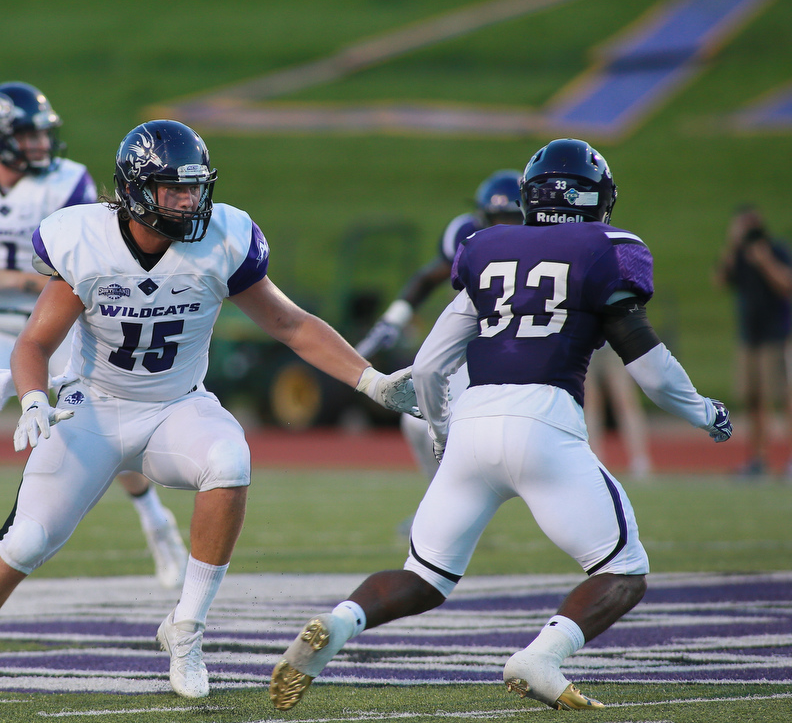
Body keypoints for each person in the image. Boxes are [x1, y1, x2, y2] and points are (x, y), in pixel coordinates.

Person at [0, 119, 419, 705]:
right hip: (92, 409)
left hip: (176, 407)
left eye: (195, 188)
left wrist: (371, 381)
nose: (189, 201)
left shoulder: (222, 238)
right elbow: (34, 343)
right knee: (24, 542)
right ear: (135, 190)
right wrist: (33, 399)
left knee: (230, 459)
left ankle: (186, 628)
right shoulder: (85, 240)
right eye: (174, 189)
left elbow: (291, 324)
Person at [270, 138, 734, 712]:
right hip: (546, 424)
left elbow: (432, 363)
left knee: (425, 577)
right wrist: (706, 412)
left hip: (473, 423)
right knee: (624, 570)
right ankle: (541, 656)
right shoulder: (607, 251)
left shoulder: (487, 248)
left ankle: (340, 623)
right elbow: (653, 372)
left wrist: (442, 430)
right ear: (596, 199)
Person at [0, 83, 187, 586]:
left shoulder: (68, 183)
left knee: (103, 428)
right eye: (28, 136)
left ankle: (157, 523)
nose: (40, 145)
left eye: (42, 135)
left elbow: (93, 272)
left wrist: (6, 279)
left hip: (65, 324)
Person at [356, 170, 522, 524]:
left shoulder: (547, 241)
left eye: (511, 218)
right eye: (496, 218)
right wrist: (393, 319)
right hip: (476, 344)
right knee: (418, 421)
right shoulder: (466, 233)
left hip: (526, 349)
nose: (503, 228)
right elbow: (429, 277)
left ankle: (450, 511)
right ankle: (443, 510)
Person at [715, 205, 792, 476]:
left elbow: (786, 285)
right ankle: (758, 459)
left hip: (775, 336)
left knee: (783, 398)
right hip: (749, 337)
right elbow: (720, 280)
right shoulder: (739, 255)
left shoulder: (775, 250)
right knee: (753, 399)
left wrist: (764, 260)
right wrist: (732, 245)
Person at [584, 346, 653, 478]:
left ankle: (640, 460)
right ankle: (595, 461)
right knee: (590, 403)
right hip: (586, 346)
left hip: (611, 345)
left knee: (625, 401)